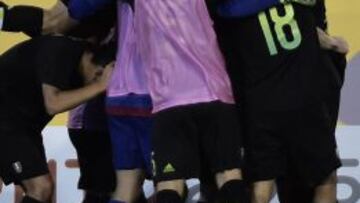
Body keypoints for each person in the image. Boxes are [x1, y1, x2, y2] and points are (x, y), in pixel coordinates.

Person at [212, 1, 344, 202]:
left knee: (263, 180)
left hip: (259, 105)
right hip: (305, 99)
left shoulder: (230, 11)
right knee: (325, 179)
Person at [135, 0, 247, 202]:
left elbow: (79, 9)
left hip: (169, 98)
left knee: (170, 182)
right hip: (216, 91)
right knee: (229, 174)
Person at [0, 35, 114, 203]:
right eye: (97, 75)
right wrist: (100, 85)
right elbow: (53, 103)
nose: (94, 83)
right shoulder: (61, 53)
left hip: (21, 125)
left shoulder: (79, 68)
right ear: (89, 56)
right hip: (8, 121)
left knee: (42, 189)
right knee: (40, 187)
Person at [276, 1, 349, 202]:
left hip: (307, 75)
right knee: (319, 173)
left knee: (307, 170)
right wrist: (331, 43)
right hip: (301, 77)